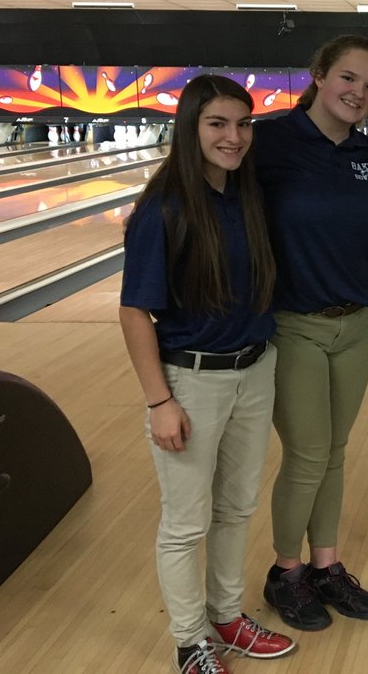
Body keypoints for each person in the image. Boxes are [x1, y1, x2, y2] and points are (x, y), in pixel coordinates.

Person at [120, 74, 293, 674]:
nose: (234, 136)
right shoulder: (164, 209)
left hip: (255, 369)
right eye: (218, 123)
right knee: (186, 522)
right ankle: (191, 641)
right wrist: (158, 401)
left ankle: (226, 614)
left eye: (243, 124)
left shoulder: (247, 198)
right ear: (190, 128)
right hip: (191, 381)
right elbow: (134, 310)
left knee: (238, 507)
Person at [255, 35, 368, 631]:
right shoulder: (270, 144)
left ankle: (325, 566)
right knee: (308, 454)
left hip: (355, 325)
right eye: (348, 78)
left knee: (334, 453)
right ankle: (284, 574)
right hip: (294, 324)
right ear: (318, 74)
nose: (358, 93)